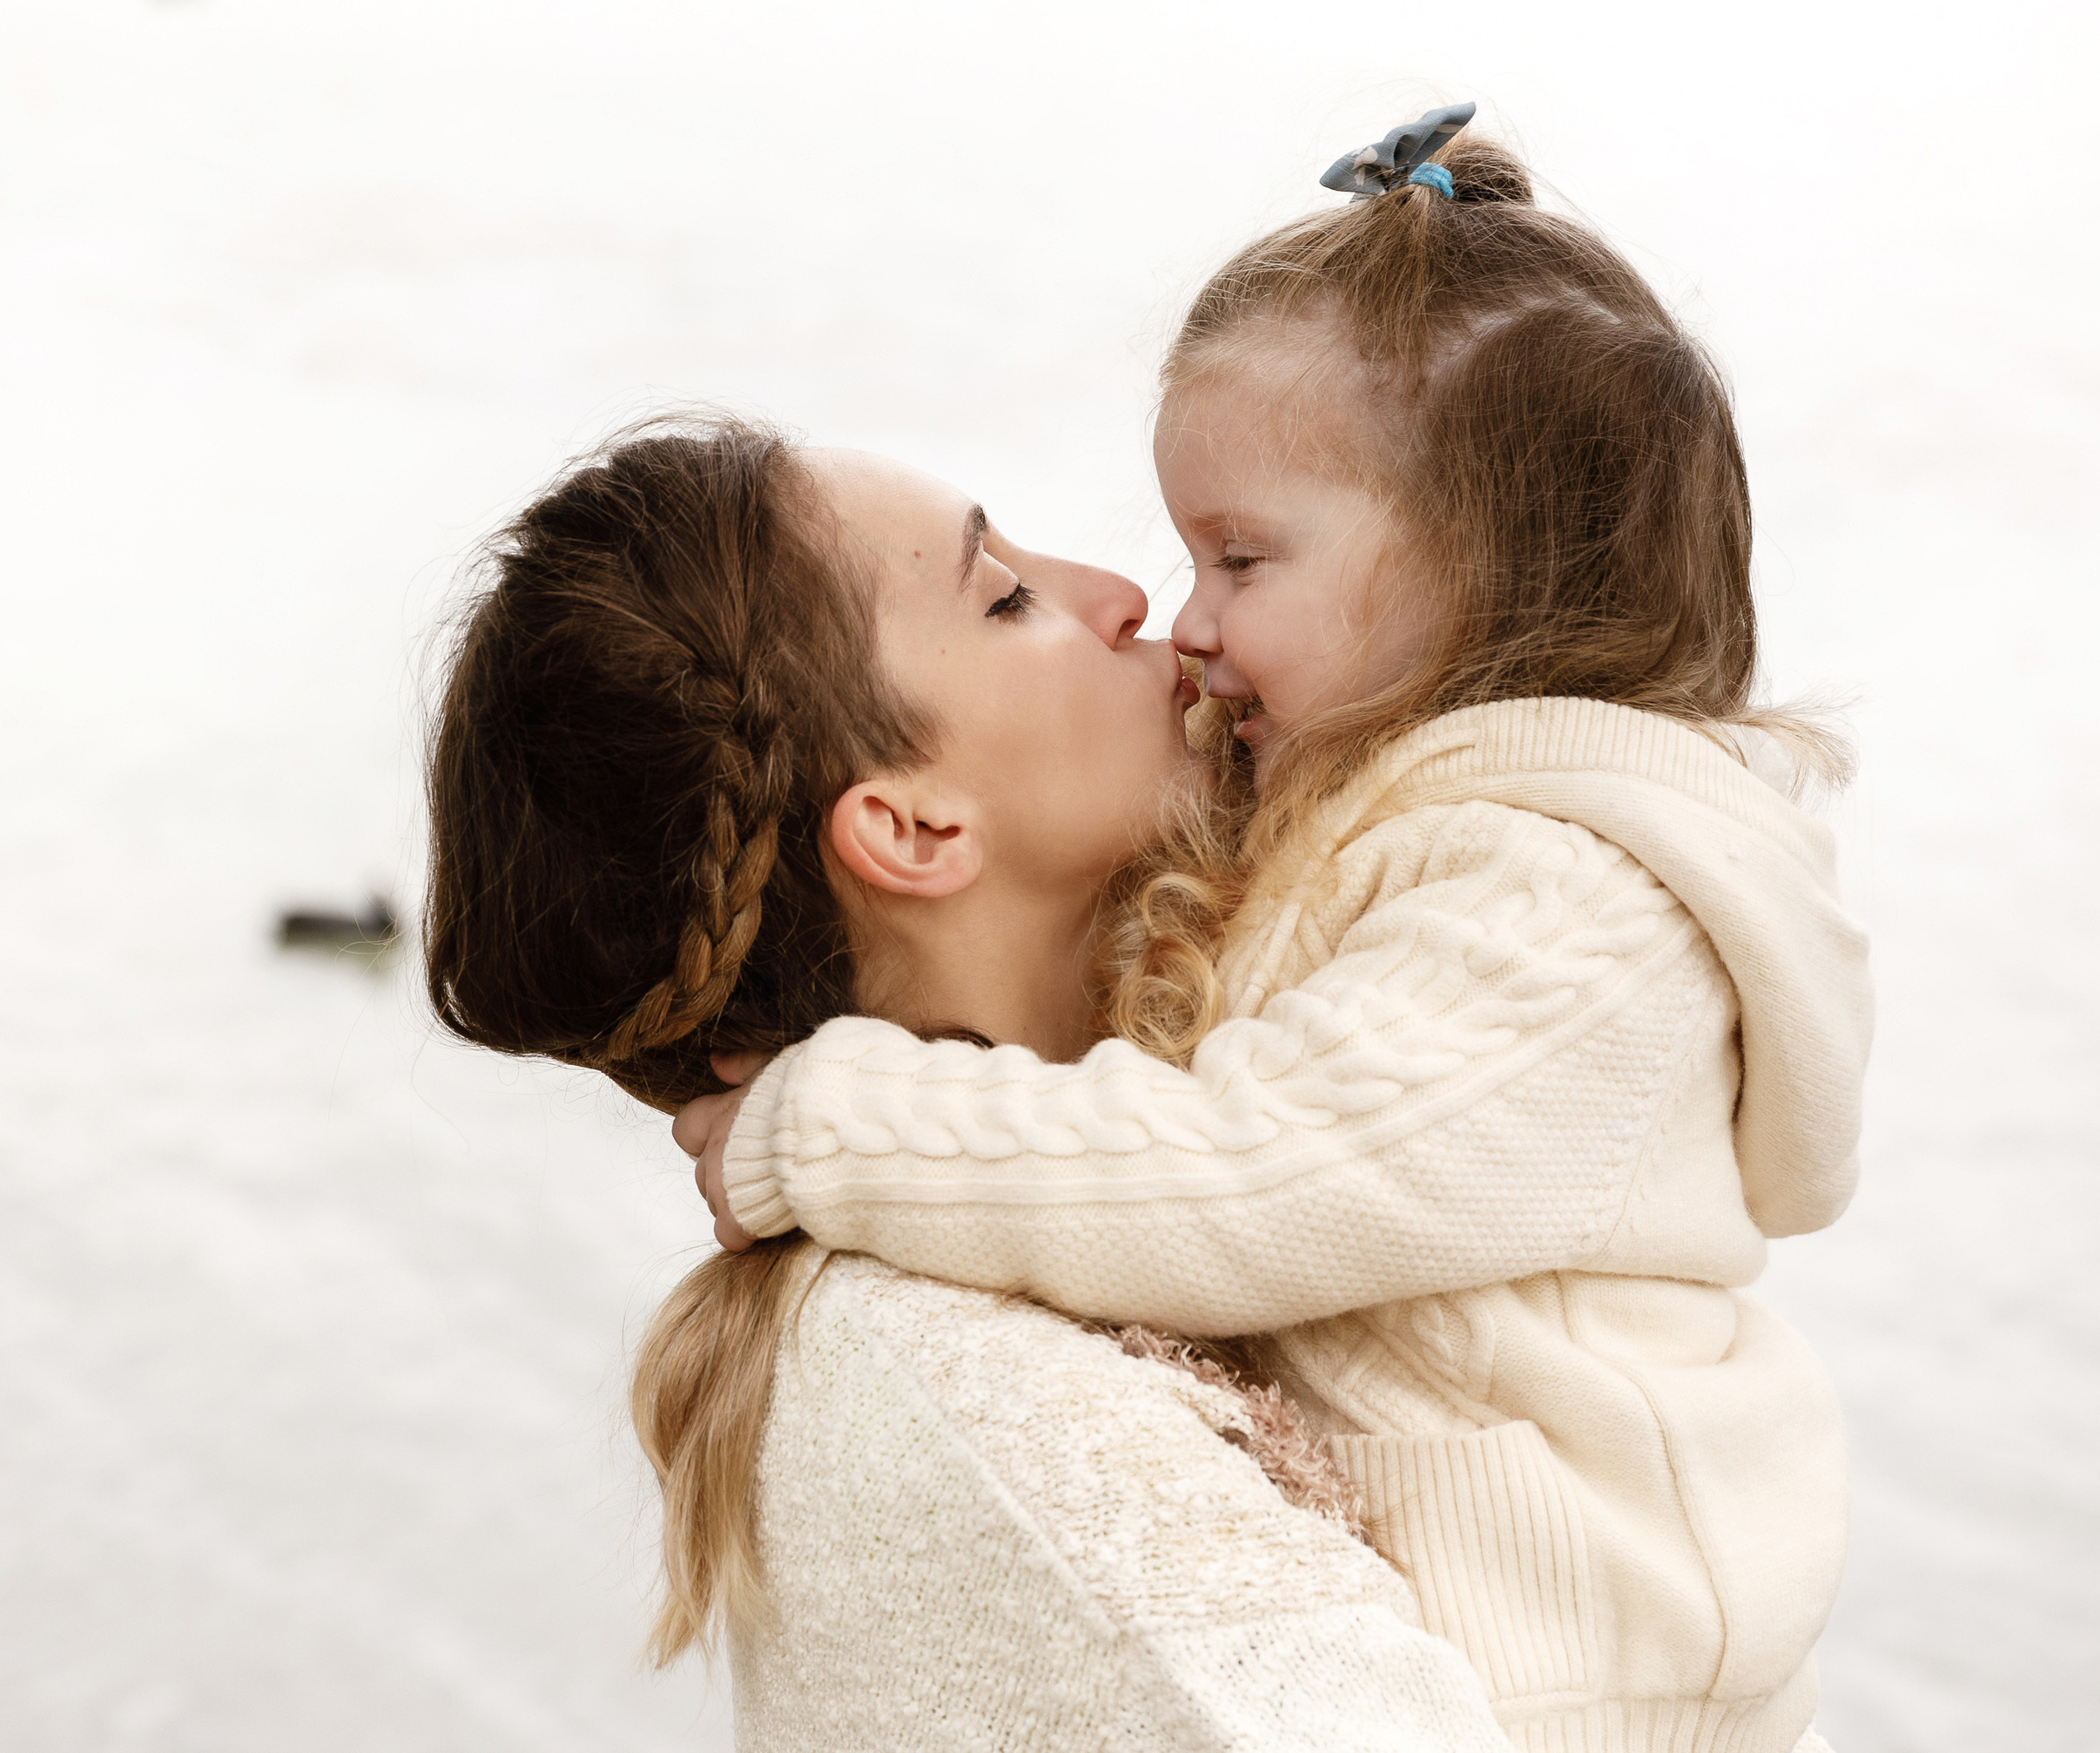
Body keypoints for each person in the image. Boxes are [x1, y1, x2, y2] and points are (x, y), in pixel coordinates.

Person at [676, 113, 1872, 1753]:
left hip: (1579, 1663)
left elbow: (1241, 1169)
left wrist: (840, 1123)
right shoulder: (1411, 845)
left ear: (1478, 577)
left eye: (1239, 559)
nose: (1184, 622)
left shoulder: (1562, 907)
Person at [422, 419, 1516, 1751]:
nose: (1131, 602)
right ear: (914, 828)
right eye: (1007, 597)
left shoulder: (1199, 1193)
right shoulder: (1006, 1429)